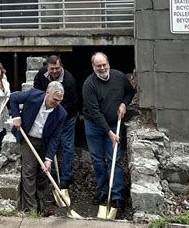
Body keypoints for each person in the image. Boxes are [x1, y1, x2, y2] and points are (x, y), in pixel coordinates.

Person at [82, 52, 135, 210]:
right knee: (98, 159)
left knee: (114, 160)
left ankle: (117, 195)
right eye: (98, 66)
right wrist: (109, 134)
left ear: (108, 63)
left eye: (104, 64)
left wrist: (124, 104)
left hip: (113, 123)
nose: (102, 68)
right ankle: (103, 190)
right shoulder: (89, 85)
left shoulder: (119, 77)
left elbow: (130, 92)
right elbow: (95, 113)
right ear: (93, 67)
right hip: (94, 125)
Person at [10, 81, 67, 214]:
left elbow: (55, 137)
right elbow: (13, 98)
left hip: (45, 142)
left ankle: (39, 201)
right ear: (47, 93)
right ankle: (31, 209)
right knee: (29, 172)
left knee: (43, 174)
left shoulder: (61, 113)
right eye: (55, 99)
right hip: (28, 138)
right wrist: (16, 117)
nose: (57, 103)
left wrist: (48, 159)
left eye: (60, 100)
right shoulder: (33, 95)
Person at [33, 55, 78, 189]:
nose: (54, 71)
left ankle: (66, 177)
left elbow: (67, 104)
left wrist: (54, 115)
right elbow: (36, 90)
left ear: (61, 66)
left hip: (67, 115)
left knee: (67, 146)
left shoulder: (69, 80)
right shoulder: (41, 74)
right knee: (52, 143)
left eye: (57, 68)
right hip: (49, 113)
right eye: (52, 68)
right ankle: (52, 173)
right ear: (47, 67)